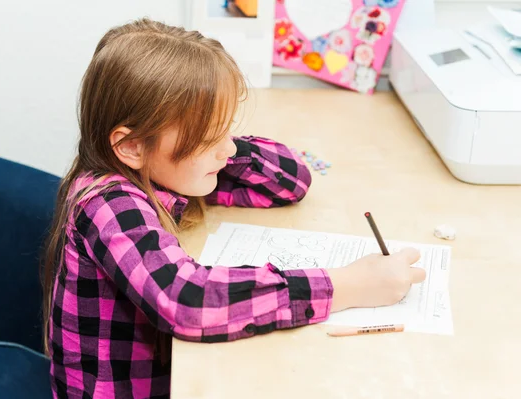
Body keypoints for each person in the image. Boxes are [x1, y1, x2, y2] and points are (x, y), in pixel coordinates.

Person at [41, 18, 426, 399]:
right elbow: (187, 301)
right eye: (207, 137)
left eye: (225, 129)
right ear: (132, 147)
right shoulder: (108, 204)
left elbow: (291, 183)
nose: (226, 149)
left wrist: (216, 140)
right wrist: (348, 285)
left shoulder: (162, 171)